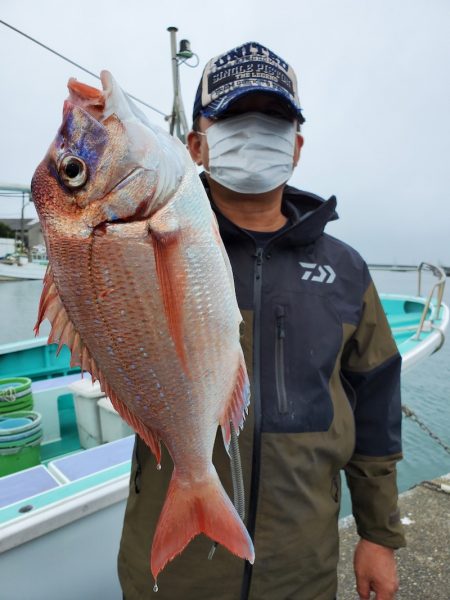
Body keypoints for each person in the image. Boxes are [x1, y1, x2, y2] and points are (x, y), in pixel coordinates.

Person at [118, 41, 405, 600]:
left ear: (296, 147)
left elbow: (375, 409)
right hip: (177, 575)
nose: (255, 134)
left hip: (300, 567)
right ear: (196, 144)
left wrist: (379, 535)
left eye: (273, 121)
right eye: (232, 119)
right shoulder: (144, 245)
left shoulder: (344, 269)